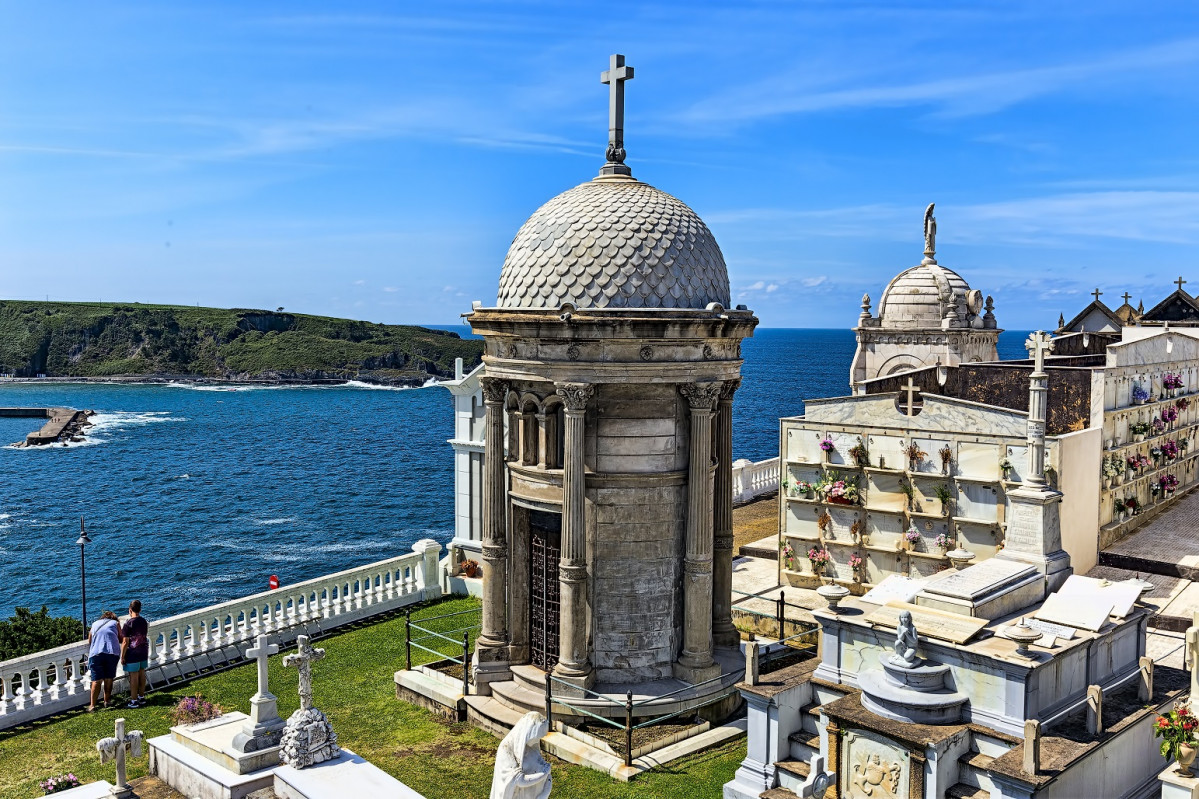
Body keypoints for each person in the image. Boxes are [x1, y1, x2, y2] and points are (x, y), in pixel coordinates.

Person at [87, 610, 123, 712]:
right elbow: (121, 638)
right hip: (111, 653)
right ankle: (107, 701)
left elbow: (90, 639)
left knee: (96, 680)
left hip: (96, 653)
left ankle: (92, 705)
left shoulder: (94, 624)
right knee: (108, 678)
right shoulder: (115, 623)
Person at [121, 600, 149, 708]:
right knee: (142, 674)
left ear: (130, 610)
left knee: (133, 677)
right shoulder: (143, 621)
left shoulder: (128, 623)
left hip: (133, 653)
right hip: (143, 651)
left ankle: (134, 700)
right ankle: (141, 697)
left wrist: (122, 656)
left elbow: (125, 642)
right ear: (140, 609)